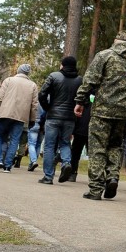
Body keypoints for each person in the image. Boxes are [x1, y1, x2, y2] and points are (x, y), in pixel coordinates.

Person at [75, 31, 126, 200]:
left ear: (116, 40)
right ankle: (112, 177)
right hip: (124, 111)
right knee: (115, 145)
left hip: (103, 109)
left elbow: (90, 80)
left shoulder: (104, 55)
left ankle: (95, 189)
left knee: (97, 148)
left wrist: (80, 101)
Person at [38, 56, 82, 185]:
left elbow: (42, 94)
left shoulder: (54, 76)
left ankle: (48, 176)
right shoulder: (80, 80)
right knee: (65, 143)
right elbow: (84, 96)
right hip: (70, 117)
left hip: (53, 116)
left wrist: (48, 108)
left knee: (49, 146)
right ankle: (66, 163)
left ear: (62, 65)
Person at [0, 65, 38, 172]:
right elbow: (34, 105)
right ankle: (7, 165)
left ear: (18, 70)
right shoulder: (33, 85)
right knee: (15, 140)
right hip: (21, 117)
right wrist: (32, 119)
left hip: (6, 113)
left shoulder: (8, 80)